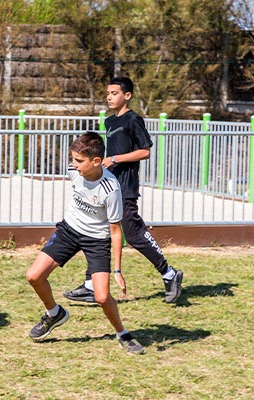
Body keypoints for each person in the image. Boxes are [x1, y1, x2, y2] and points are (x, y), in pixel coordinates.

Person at [63, 77, 183, 304]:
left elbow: (145, 151)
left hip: (125, 188)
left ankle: (169, 273)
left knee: (135, 234)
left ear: (127, 96)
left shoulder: (133, 120)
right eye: (108, 93)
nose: (109, 97)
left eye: (114, 93)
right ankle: (91, 284)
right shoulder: (109, 122)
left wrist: (115, 158)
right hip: (108, 188)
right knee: (99, 234)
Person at [26, 132, 145, 355]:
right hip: (69, 230)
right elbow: (74, 170)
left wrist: (117, 269)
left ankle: (123, 333)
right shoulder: (74, 172)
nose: (74, 165)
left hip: (97, 240)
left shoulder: (111, 189)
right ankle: (54, 314)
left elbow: (116, 231)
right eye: (73, 159)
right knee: (34, 276)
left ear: (96, 161)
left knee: (101, 297)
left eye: (79, 161)